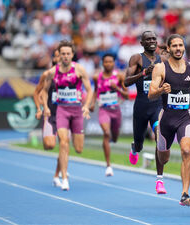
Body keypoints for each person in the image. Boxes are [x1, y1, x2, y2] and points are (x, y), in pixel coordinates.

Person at [148, 34, 190, 206]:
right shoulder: (161, 68)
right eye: (174, 46)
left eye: (180, 45)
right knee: (164, 157)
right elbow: (151, 94)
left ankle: (185, 194)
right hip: (166, 118)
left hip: (184, 117)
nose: (178, 49)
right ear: (168, 48)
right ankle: (160, 176)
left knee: (187, 151)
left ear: (184, 47)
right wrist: (161, 90)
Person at [42, 40, 93, 191]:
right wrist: (45, 106)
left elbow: (89, 90)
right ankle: (64, 178)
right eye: (62, 53)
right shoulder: (52, 72)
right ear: (59, 55)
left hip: (77, 111)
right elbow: (44, 90)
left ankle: (63, 171)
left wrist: (86, 106)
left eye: (68, 54)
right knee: (63, 143)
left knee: (78, 148)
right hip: (62, 110)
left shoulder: (79, 70)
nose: (65, 56)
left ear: (72, 55)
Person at [124, 31, 168, 194]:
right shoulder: (136, 58)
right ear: (142, 43)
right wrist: (144, 73)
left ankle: (159, 180)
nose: (151, 41)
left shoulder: (162, 60)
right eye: (148, 39)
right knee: (140, 143)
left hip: (157, 106)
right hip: (141, 107)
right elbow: (126, 82)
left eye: (153, 39)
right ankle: (135, 148)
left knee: (159, 137)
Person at [90, 53, 128, 176]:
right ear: (102, 63)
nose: (108, 64)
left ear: (114, 63)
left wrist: (116, 88)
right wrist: (92, 103)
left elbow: (126, 96)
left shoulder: (120, 76)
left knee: (115, 137)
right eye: (105, 62)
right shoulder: (97, 77)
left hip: (116, 110)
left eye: (110, 62)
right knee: (106, 133)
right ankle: (108, 165)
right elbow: (96, 91)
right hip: (103, 110)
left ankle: (112, 137)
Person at [33, 49, 64, 187]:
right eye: (58, 56)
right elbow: (37, 92)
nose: (61, 58)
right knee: (50, 145)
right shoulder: (47, 74)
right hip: (50, 115)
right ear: (53, 59)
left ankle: (58, 174)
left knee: (64, 145)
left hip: (64, 115)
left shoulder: (70, 74)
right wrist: (39, 108)